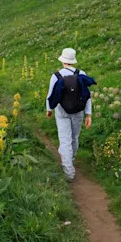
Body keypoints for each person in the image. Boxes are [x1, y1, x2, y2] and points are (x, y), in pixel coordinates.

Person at [46, 48, 96, 181]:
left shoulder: (56, 76)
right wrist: (88, 114)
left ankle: (68, 171)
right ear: (73, 61)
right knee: (74, 137)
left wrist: (49, 110)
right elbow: (87, 96)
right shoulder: (81, 74)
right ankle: (70, 159)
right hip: (78, 112)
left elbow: (50, 95)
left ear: (63, 61)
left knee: (65, 140)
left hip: (62, 112)